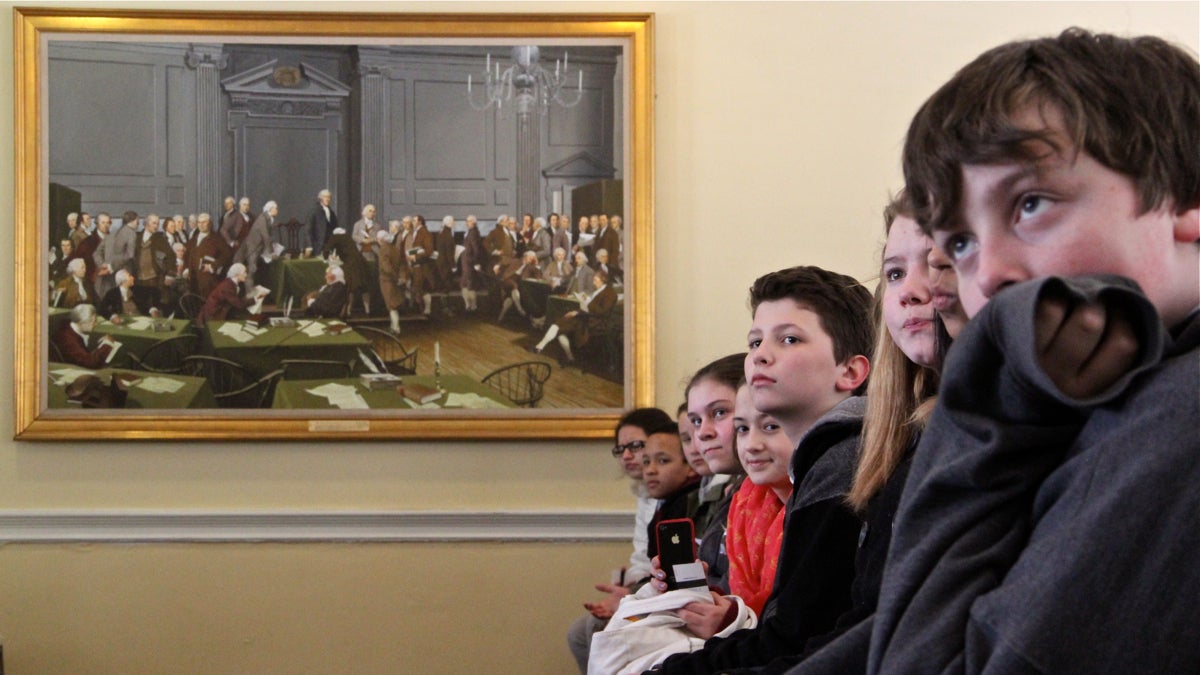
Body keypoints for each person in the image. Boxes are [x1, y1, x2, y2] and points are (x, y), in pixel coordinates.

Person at [869, 29, 1200, 674]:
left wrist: (983, 400)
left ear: (1186, 201)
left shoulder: (1179, 423)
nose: (984, 276)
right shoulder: (1118, 405)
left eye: (1030, 204)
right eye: (958, 243)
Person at [650, 266, 872, 674]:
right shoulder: (824, 459)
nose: (760, 355)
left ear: (851, 372)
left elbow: (798, 641)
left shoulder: (844, 461)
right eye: (755, 341)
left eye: (789, 338)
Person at [783, 194, 965, 674]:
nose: (911, 291)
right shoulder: (901, 444)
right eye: (894, 273)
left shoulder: (963, 443)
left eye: (939, 262)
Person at [567, 407, 675, 674]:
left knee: (591, 631)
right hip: (645, 587)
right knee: (583, 631)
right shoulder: (644, 494)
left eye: (635, 446)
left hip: (663, 594)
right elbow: (641, 557)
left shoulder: (678, 496)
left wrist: (631, 596)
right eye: (620, 449)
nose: (627, 455)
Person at [529, 269, 617, 365]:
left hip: (595, 321)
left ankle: (544, 349)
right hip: (586, 317)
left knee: (561, 326)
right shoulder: (599, 290)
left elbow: (601, 311)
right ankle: (542, 348)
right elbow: (588, 308)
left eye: (595, 280)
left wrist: (584, 304)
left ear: (602, 280)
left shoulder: (610, 293)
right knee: (559, 324)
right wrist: (576, 311)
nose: (593, 282)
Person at [194, 262, 266, 326]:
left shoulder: (231, 282)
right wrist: (256, 298)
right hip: (215, 316)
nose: (246, 275)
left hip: (222, 310)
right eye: (244, 272)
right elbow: (239, 304)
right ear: (237, 274)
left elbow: (236, 301)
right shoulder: (228, 287)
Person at [51, 303, 117, 368]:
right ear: (82, 321)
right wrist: (108, 344)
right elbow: (90, 363)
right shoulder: (68, 339)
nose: (96, 324)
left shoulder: (71, 329)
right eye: (93, 321)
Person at [183, 212, 232, 299]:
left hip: (209, 279)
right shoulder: (192, 240)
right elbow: (186, 256)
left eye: (204, 222)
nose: (201, 225)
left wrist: (213, 266)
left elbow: (227, 255)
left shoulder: (217, 239)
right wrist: (186, 268)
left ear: (209, 224)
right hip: (193, 279)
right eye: (199, 222)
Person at [322, 227, 368, 316]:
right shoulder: (348, 237)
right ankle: (367, 310)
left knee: (350, 287)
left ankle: (348, 311)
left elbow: (327, 249)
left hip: (350, 264)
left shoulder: (335, 237)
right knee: (364, 287)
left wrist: (325, 257)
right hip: (361, 262)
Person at [235, 200, 279, 286]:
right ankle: (249, 294)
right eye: (276, 208)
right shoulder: (263, 218)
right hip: (252, 248)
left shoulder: (269, 218)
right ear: (270, 209)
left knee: (253, 271)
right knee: (251, 270)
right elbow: (265, 236)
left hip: (257, 247)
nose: (277, 210)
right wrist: (271, 252)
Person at [495, 250, 542, 323]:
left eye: (532, 259)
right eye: (530, 258)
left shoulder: (530, 266)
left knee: (511, 297)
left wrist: (536, 265)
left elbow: (538, 277)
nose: (531, 260)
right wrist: (497, 265)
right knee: (514, 285)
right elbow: (503, 261)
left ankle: (501, 316)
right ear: (525, 257)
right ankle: (520, 309)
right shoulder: (515, 261)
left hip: (518, 283)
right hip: (507, 280)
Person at [403, 214, 435, 316]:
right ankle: (420, 309)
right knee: (417, 288)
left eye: (414, 220)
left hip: (422, 266)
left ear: (420, 222)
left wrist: (416, 257)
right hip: (415, 266)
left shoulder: (425, 233)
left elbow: (429, 251)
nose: (412, 222)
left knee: (424, 288)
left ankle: (427, 309)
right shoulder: (415, 232)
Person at [458, 214, 486, 313]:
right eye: (467, 221)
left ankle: (471, 306)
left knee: (467, 284)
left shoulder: (473, 233)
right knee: (467, 284)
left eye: (469, 221)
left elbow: (476, 249)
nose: (467, 223)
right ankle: (470, 305)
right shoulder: (472, 232)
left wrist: (475, 262)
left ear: (473, 222)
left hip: (469, 262)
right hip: (468, 262)